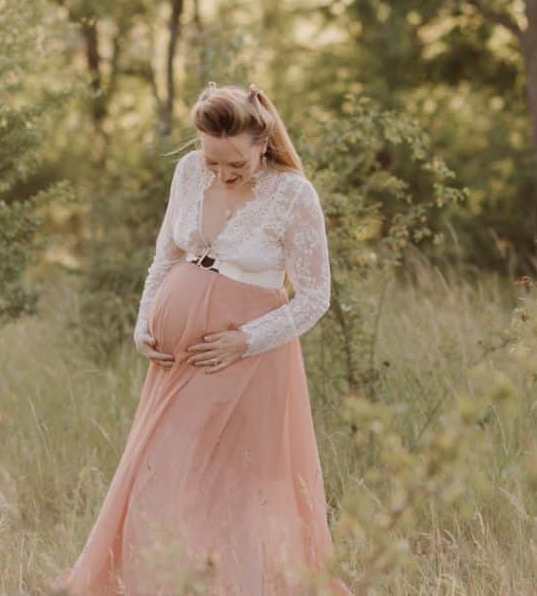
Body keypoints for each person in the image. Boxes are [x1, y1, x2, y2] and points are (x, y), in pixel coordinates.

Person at [51, 82, 352, 595]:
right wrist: (145, 321)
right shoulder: (189, 173)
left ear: (263, 140)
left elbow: (314, 296)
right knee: (158, 476)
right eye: (213, 161)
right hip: (177, 359)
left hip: (246, 361)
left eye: (234, 162)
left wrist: (245, 340)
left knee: (234, 489)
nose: (222, 174)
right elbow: (166, 257)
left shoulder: (293, 194)